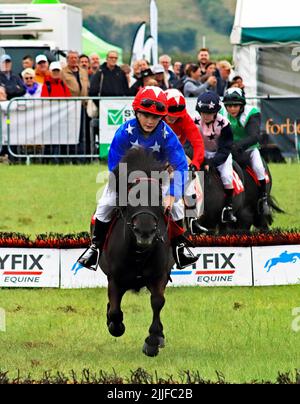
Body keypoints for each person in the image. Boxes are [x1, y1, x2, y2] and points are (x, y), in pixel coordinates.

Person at [77, 86, 199, 271]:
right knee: (105, 203)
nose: (150, 121)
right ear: (136, 112)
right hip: (127, 176)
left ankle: (180, 247)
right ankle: (94, 248)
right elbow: (115, 165)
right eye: (146, 115)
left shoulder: (168, 135)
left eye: (155, 117)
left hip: (159, 177)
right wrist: (127, 188)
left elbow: (181, 166)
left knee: (177, 207)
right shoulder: (124, 132)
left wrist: (172, 194)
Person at [222, 87, 270, 215]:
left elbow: (254, 136)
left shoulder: (252, 113)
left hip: (249, 149)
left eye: (235, 105)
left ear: (242, 104)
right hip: (228, 149)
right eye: (229, 106)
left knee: (259, 168)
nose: (232, 109)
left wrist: (237, 145)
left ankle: (263, 198)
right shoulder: (221, 112)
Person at [164, 88, 206, 234]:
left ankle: (192, 220)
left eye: (177, 116)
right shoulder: (154, 117)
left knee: (190, 178)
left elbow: (198, 143)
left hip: (175, 154)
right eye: (170, 115)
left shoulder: (185, 118)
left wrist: (195, 163)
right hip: (154, 154)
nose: (173, 118)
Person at [195, 91, 237, 224]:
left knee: (226, 176)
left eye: (209, 113)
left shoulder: (224, 124)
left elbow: (226, 148)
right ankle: (190, 212)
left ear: (216, 112)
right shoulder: (194, 122)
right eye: (203, 113)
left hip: (220, 154)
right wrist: (200, 159)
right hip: (201, 153)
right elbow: (191, 143)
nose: (206, 116)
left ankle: (228, 208)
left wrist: (212, 162)